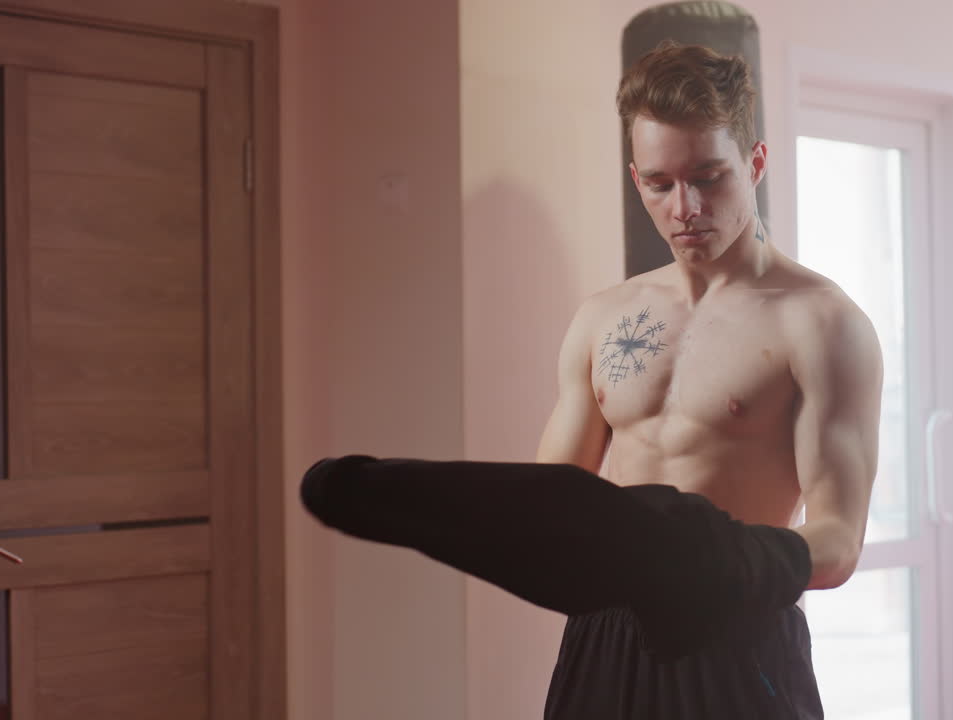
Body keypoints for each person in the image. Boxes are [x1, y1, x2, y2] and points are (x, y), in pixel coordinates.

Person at [301, 42, 882, 719]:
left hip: (737, 634)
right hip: (604, 640)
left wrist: (717, 560)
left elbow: (838, 542)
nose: (685, 206)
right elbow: (557, 504)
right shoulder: (604, 318)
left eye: (709, 176)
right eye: (661, 184)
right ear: (637, 180)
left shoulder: (821, 324)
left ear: (755, 164)